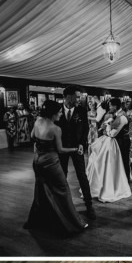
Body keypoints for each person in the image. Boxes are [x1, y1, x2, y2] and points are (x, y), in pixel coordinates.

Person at [23, 100, 89, 235]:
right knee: (63, 189)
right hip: (51, 162)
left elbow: (32, 136)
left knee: (41, 189)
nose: (60, 114)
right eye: (59, 112)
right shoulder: (56, 129)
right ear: (53, 113)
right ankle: (73, 222)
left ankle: (43, 219)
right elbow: (60, 150)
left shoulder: (37, 121)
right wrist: (75, 149)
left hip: (37, 161)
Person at [57, 85, 96, 219]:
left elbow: (85, 129)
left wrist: (81, 144)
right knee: (62, 175)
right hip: (61, 148)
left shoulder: (81, 110)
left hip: (77, 148)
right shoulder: (57, 110)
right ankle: (63, 204)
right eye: (77, 96)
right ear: (68, 96)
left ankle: (89, 205)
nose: (79, 99)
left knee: (82, 175)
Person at [87, 100, 132, 203]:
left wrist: (106, 128)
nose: (109, 107)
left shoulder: (123, 117)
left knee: (124, 163)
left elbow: (113, 134)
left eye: (111, 105)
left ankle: (124, 184)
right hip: (116, 141)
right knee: (116, 163)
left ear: (116, 106)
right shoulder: (115, 115)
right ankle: (116, 183)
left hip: (122, 142)